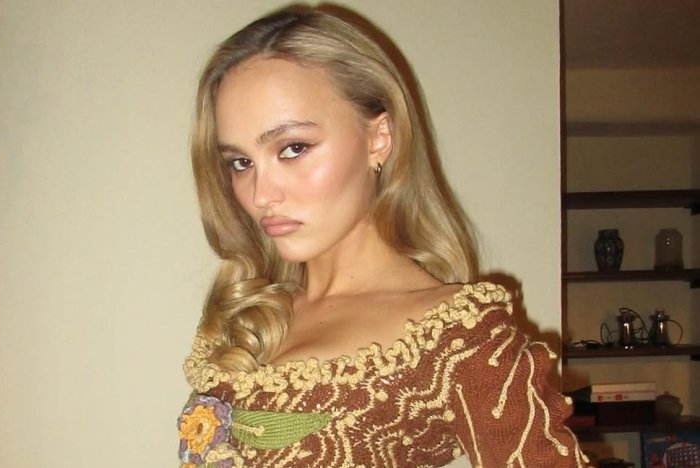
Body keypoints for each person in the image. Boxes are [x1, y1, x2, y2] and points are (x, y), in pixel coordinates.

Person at [178, 5, 590, 467]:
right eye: (240, 162)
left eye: (293, 148)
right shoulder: (253, 315)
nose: (260, 194)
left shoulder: (455, 338)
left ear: (378, 138)